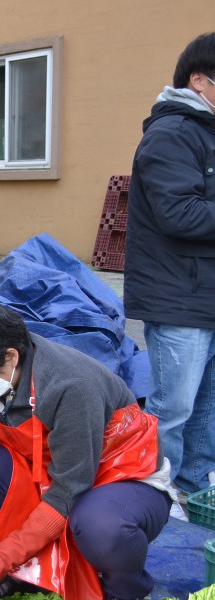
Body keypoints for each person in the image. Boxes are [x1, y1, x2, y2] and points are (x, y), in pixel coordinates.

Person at [0, 296, 174, 600]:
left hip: (122, 476)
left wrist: (3, 555)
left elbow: (68, 491)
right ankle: (23, 572)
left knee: (100, 524)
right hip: (52, 471)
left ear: (11, 357)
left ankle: (127, 593)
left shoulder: (70, 386)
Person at [124, 32, 215, 514]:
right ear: (199, 81)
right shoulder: (172, 134)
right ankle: (155, 494)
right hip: (179, 297)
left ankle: (194, 490)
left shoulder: (206, 133)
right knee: (172, 408)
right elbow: (180, 215)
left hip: (204, 294)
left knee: (206, 406)